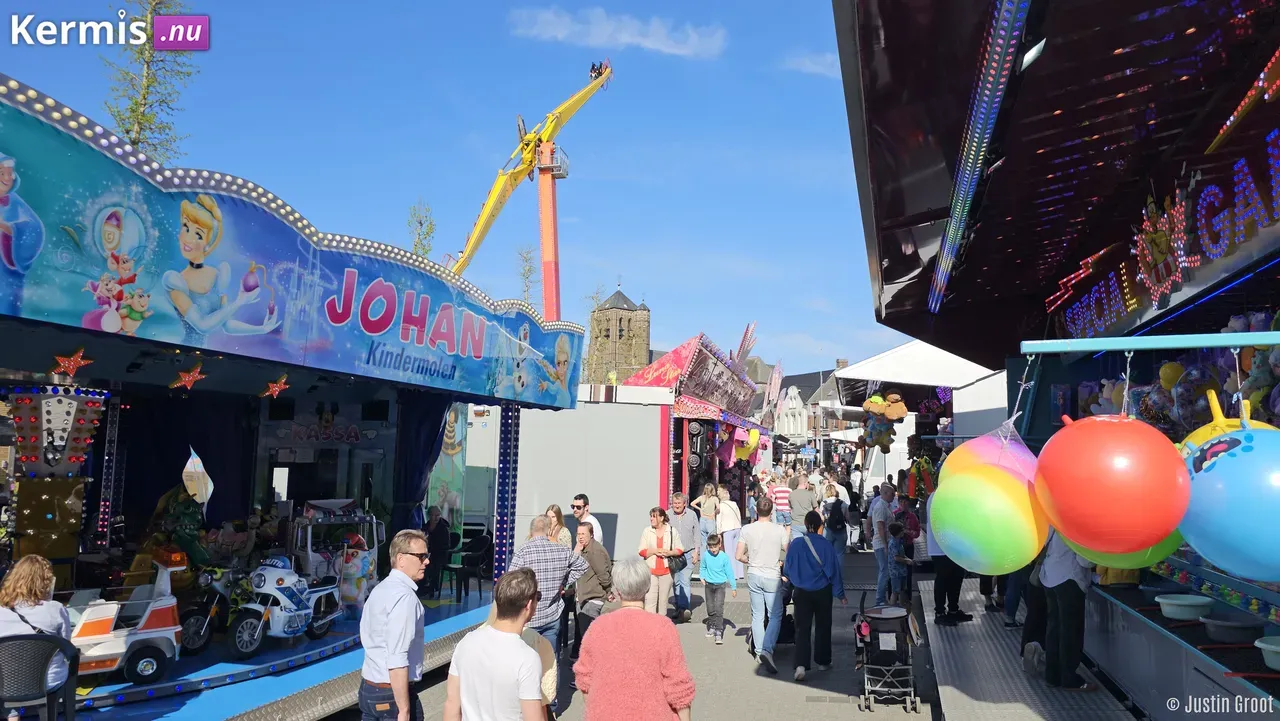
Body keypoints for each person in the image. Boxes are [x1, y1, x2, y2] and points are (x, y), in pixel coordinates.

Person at [573, 557, 695, 721]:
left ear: (617, 590)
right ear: (647, 587)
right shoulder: (663, 628)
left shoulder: (597, 627)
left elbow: (584, 679)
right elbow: (678, 686)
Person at [444, 567, 545, 721]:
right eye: (538, 597)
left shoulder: (466, 642)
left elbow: (452, 706)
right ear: (529, 605)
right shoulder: (528, 658)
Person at [360, 529, 430, 721]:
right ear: (401, 559)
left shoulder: (380, 590)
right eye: (421, 556)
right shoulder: (404, 598)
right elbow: (397, 656)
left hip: (369, 689)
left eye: (427, 555)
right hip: (390, 695)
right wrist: (404, 711)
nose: (427, 561)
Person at [0, 555, 72, 718]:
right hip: (47, 682)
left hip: (5, 685)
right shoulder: (56, 609)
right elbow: (66, 643)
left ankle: (12, 714)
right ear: (45, 582)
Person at [508, 516, 589, 654]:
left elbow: (510, 582)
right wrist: (563, 582)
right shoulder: (561, 550)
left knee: (526, 662)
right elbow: (583, 565)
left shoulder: (523, 551)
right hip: (552, 615)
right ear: (549, 530)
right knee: (551, 661)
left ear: (530, 530)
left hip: (528, 618)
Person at [783, 511, 847, 681]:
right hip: (822, 590)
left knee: (802, 628)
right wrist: (840, 594)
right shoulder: (826, 545)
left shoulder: (796, 544)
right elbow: (834, 571)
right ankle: (823, 661)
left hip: (802, 591)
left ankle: (801, 665)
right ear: (821, 526)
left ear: (805, 524)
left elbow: (787, 569)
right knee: (823, 625)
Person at [737, 495, 789, 675]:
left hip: (754, 573)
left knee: (757, 615)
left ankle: (759, 652)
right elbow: (787, 551)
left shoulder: (747, 529)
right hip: (772, 575)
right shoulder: (780, 530)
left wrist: (748, 558)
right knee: (775, 614)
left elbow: (738, 555)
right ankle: (768, 649)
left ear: (756, 510)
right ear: (772, 510)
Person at [1040, 529, 1096, 691]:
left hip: (1050, 576)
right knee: (1070, 631)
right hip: (1069, 579)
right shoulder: (1077, 524)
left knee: (1054, 628)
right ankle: (1070, 678)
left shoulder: (1054, 519)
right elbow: (1085, 561)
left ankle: (1052, 675)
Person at [573, 521, 613, 661]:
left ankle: (591, 671)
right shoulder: (583, 549)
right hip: (583, 597)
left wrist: (608, 591)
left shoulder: (594, 551)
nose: (580, 537)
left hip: (593, 597)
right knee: (586, 636)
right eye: (578, 534)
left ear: (591, 534)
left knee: (588, 639)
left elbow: (604, 575)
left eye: (583, 534)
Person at [638, 507, 684, 615]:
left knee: (663, 602)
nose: (651, 519)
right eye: (651, 516)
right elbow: (641, 551)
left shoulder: (672, 531)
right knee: (650, 601)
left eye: (654, 516)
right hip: (651, 572)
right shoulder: (647, 531)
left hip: (666, 572)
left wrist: (669, 553)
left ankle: (662, 627)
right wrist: (655, 551)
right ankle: (650, 627)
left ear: (662, 518)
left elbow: (680, 549)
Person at [927, 514, 971, 626]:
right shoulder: (936, 498)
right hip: (941, 549)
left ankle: (953, 610)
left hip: (955, 547)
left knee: (956, 578)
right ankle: (940, 613)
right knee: (943, 579)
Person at [700, 533, 736, 644]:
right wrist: (702, 576)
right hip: (709, 585)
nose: (713, 549)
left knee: (718, 608)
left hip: (720, 585)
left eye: (715, 546)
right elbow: (703, 567)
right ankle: (712, 626)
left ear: (719, 545)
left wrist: (733, 587)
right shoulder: (706, 555)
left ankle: (719, 631)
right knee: (710, 608)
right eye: (711, 547)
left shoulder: (724, 557)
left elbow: (729, 572)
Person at [668, 493, 699, 623]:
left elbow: (697, 534)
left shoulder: (692, 515)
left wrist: (697, 552)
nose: (676, 506)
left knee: (685, 580)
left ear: (684, 503)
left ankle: (684, 608)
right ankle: (679, 607)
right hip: (674, 554)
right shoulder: (667, 515)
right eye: (674, 503)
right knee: (676, 582)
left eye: (679, 503)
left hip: (688, 552)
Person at [871, 483, 896, 606]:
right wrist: (886, 545)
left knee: (886, 570)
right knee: (884, 570)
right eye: (892, 493)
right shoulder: (881, 507)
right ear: (885, 493)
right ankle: (880, 599)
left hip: (885, 542)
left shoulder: (887, 506)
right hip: (881, 543)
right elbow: (880, 527)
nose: (894, 495)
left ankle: (882, 598)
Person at [894, 497, 921, 602]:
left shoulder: (912, 517)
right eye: (901, 502)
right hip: (896, 547)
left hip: (908, 546)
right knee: (894, 573)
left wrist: (908, 531)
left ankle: (908, 598)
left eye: (906, 502)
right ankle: (894, 596)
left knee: (908, 573)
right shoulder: (894, 514)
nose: (903, 504)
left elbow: (917, 533)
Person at [715, 486, 744, 579]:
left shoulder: (721, 506)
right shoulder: (734, 504)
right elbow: (739, 516)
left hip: (727, 529)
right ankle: (740, 573)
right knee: (737, 551)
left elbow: (718, 520)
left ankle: (732, 574)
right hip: (737, 528)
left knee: (729, 552)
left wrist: (718, 532)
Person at [423, 505, 451, 598]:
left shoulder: (444, 528)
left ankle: (432, 588)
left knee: (433, 564)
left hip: (439, 554)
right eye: (433, 515)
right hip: (427, 553)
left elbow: (446, 545)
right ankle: (422, 587)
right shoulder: (425, 527)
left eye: (438, 515)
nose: (435, 518)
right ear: (429, 516)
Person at [689, 483, 719, 559]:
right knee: (712, 540)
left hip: (702, 520)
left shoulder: (701, 497)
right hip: (710, 520)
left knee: (703, 541)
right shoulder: (715, 499)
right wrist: (714, 513)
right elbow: (718, 508)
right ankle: (711, 556)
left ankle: (703, 558)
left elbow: (692, 503)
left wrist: (700, 509)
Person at [820, 484, 848, 562]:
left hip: (828, 529)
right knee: (839, 553)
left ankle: (829, 572)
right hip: (840, 529)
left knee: (828, 553)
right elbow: (847, 517)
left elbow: (822, 518)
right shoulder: (842, 503)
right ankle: (838, 572)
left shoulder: (824, 503)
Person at [887, 522, 914, 605]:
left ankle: (902, 608)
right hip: (896, 572)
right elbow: (896, 557)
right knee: (895, 592)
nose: (904, 531)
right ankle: (892, 609)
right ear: (898, 532)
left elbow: (901, 554)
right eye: (902, 530)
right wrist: (907, 561)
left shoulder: (899, 541)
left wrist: (907, 558)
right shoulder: (893, 543)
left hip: (902, 571)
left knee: (902, 590)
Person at [788, 475, 818, 540]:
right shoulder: (810, 494)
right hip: (808, 523)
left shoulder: (791, 494)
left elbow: (790, 508)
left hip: (795, 523)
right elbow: (816, 509)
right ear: (805, 483)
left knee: (797, 545)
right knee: (809, 545)